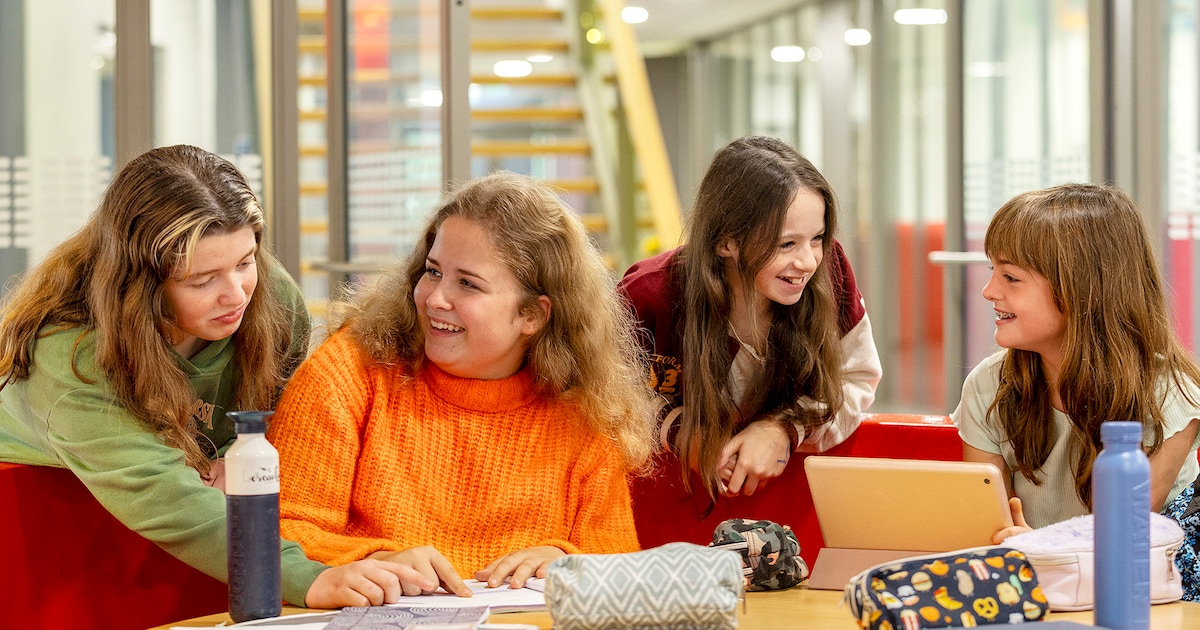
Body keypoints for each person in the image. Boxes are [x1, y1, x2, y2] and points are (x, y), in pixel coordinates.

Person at [0, 145, 428, 609]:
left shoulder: (271, 298)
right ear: (140, 285)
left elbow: (295, 426)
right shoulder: (70, 357)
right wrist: (308, 579)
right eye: (202, 280)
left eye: (245, 262)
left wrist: (236, 455)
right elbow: (162, 497)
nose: (236, 295)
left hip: (210, 536)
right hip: (52, 534)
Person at [267, 171, 658, 596]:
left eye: (467, 284)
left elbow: (620, 569)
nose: (435, 298)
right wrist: (375, 560)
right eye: (432, 272)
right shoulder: (348, 371)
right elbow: (277, 533)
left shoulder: (586, 414)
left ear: (533, 315)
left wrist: (570, 563)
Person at [618, 135, 883, 502]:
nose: (807, 261)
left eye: (817, 238)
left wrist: (783, 429)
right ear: (726, 242)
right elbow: (602, 401)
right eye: (786, 244)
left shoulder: (831, 271)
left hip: (790, 503)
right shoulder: (648, 295)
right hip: (663, 506)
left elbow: (855, 379)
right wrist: (681, 431)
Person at [952, 183, 1200, 548]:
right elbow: (990, 529)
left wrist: (1035, 547)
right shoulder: (987, 385)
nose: (989, 290)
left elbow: (1119, 542)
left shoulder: (1169, 394)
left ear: (1080, 288)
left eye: (1010, 277)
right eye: (993, 271)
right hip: (1028, 586)